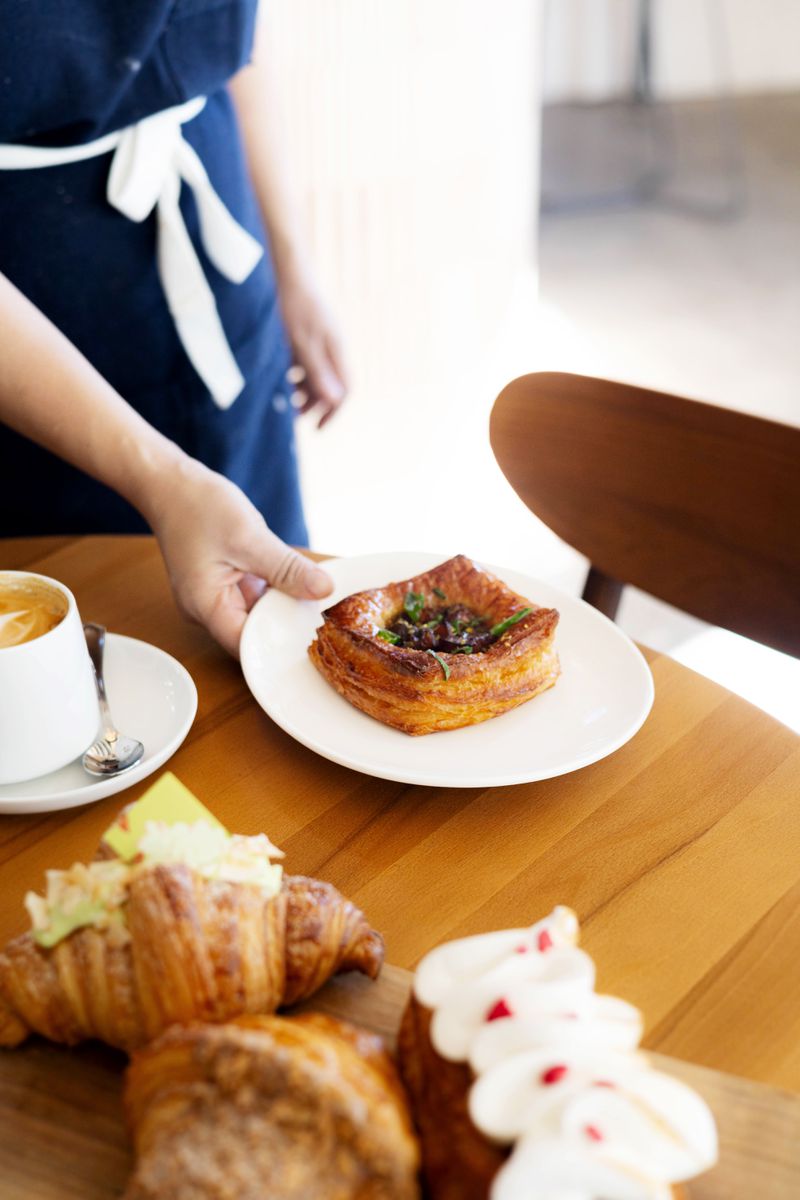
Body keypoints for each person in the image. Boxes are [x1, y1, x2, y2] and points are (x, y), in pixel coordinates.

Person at [0, 4, 344, 655]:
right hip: (34, 340)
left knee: (274, 637)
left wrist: (291, 269)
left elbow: (231, 40)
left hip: (219, 257)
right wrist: (163, 482)